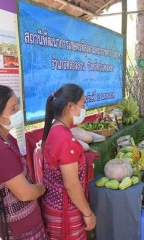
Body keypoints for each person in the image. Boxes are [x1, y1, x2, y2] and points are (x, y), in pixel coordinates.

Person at [41, 83, 96, 239]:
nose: (83, 110)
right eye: (82, 105)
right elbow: (71, 185)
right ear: (70, 106)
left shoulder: (55, 129)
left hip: (55, 207)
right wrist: (88, 213)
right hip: (65, 211)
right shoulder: (65, 139)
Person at [0, 84, 48, 239]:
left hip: (27, 220)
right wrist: (41, 188)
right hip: (17, 228)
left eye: (18, 105)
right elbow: (25, 193)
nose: (18, 112)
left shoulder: (7, 137)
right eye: (13, 109)